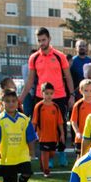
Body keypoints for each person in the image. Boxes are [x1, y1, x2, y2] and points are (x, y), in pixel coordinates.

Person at [21, 28, 73, 165]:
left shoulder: (60, 56)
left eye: (43, 40)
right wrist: (21, 98)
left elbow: (68, 76)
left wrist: (72, 95)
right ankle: (48, 156)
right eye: (39, 40)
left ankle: (61, 153)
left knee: (60, 125)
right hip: (41, 97)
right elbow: (30, 80)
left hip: (59, 96)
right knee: (44, 128)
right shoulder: (34, 58)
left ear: (49, 39)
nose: (41, 43)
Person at [0, 90, 36, 182]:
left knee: (27, 172)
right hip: (6, 157)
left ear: (17, 102)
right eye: (7, 101)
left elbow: (31, 136)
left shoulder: (24, 119)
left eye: (13, 101)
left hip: (22, 155)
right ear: (2, 103)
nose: (11, 103)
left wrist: (31, 151)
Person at [32, 83, 65, 177]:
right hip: (42, 135)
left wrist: (62, 134)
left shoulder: (55, 107)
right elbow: (34, 122)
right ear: (42, 93)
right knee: (45, 152)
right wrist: (33, 133)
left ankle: (42, 161)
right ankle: (46, 171)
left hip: (53, 135)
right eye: (46, 93)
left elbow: (60, 122)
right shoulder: (38, 106)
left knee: (52, 153)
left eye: (51, 93)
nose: (49, 95)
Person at [69, 78, 91, 154]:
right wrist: (77, 132)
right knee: (80, 157)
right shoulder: (77, 105)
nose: (88, 93)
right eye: (86, 90)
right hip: (81, 137)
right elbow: (73, 121)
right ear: (81, 91)